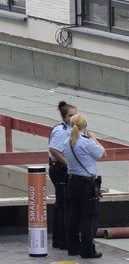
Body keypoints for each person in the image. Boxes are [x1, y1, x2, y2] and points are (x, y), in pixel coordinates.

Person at [58, 112, 105, 259]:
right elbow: (101, 153)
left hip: (72, 181)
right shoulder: (86, 142)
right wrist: (94, 138)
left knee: (73, 215)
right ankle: (87, 249)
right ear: (85, 126)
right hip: (86, 182)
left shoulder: (67, 142)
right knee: (88, 217)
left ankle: (73, 247)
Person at [47, 101, 76, 250]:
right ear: (64, 116)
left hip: (61, 168)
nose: (74, 117)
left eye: (76, 114)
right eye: (71, 115)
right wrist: (67, 164)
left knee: (62, 204)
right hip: (59, 169)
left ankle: (59, 240)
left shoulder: (72, 129)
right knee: (63, 206)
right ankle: (62, 240)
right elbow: (54, 149)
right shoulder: (61, 130)